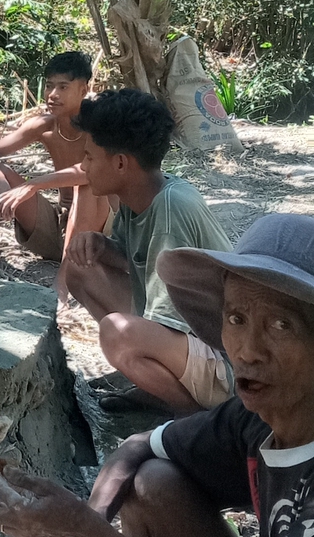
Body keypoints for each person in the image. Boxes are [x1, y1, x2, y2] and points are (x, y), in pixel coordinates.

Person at [0, 213, 314, 537]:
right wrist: (90, 517)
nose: (247, 350)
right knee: (152, 481)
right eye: (237, 319)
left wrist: (80, 527)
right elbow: (138, 446)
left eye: (281, 325)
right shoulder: (254, 421)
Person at [65, 89, 234, 415]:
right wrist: (101, 246)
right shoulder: (138, 196)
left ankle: (195, 419)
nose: (83, 166)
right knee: (80, 267)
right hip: (189, 339)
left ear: (119, 163)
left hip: (226, 360)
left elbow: (169, 322)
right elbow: (136, 261)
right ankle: (157, 387)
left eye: (88, 157)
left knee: (118, 334)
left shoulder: (170, 211)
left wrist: (134, 348)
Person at [0, 51, 113, 291]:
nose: (53, 95)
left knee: (88, 186)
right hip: (56, 228)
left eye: (63, 87)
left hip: (98, 235)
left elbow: (89, 171)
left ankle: (64, 284)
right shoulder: (44, 125)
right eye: (49, 86)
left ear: (83, 89)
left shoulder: (101, 123)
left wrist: (32, 185)